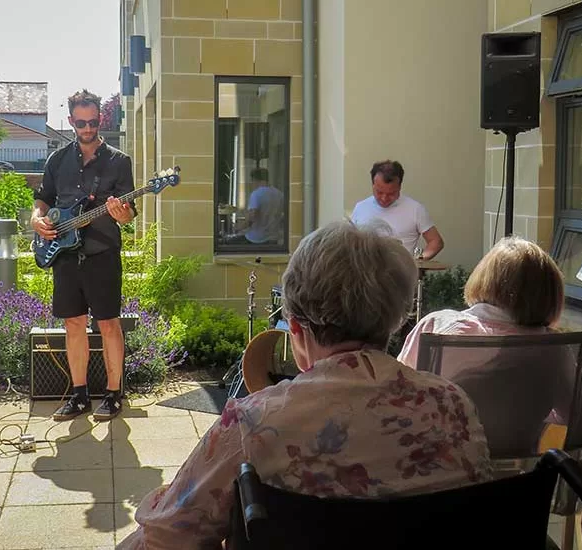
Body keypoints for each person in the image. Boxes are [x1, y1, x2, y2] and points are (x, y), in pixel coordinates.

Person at [118, 219, 492, 549]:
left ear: (294, 329)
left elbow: (168, 535)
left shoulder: (255, 422)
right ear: (395, 319)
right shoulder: (452, 406)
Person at [397, 237, 571, 456]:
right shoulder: (554, 348)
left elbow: (399, 393)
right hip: (519, 482)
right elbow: (571, 416)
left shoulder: (438, 325)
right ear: (550, 292)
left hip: (440, 475)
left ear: (485, 279)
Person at [32, 89, 135, 421]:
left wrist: (122, 214)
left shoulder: (119, 161)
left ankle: (114, 394)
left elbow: (128, 212)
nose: (88, 128)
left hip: (102, 253)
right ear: (71, 120)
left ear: (100, 120)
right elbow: (43, 198)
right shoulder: (57, 160)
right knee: (73, 324)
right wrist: (36, 218)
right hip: (64, 254)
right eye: (81, 123)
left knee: (108, 325)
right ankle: (78, 396)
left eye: (93, 122)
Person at [350, 159, 444, 260]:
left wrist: (417, 262)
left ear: (400, 187)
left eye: (391, 193)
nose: (384, 198)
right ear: (373, 185)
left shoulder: (415, 209)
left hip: (401, 273)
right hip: (366, 272)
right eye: (379, 192)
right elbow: (350, 242)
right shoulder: (360, 207)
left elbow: (436, 242)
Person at [236, 167, 284, 245]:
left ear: (255, 179)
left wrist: (239, 227)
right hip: (273, 238)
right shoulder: (279, 194)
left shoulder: (256, 194)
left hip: (256, 239)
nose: (252, 183)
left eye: (252, 180)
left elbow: (252, 217)